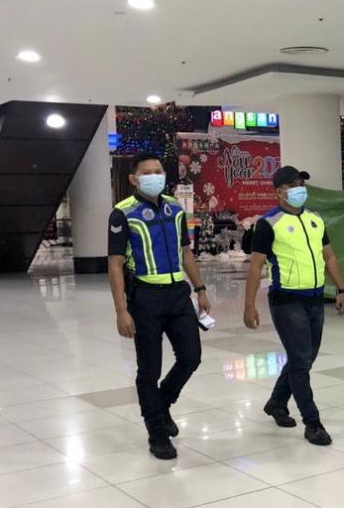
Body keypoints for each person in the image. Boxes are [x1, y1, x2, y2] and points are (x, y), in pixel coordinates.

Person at [107, 151, 211, 460]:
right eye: (148, 171)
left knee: (191, 357)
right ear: (134, 178)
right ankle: (156, 430)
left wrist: (200, 288)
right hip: (144, 298)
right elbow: (114, 265)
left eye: (159, 171)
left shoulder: (176, 208)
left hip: (178, 295)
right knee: (149, 368)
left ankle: (162, 403)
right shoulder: (122, 213)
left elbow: (186, 252)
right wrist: (121, 311)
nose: (155, 176)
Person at [243, 166, 344, 446]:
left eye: (301, 183)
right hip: (286, 300)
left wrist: (341, 288)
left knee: (306, 358)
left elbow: (329, 257)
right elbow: (255, 267)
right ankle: (312, 422)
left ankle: (277, 402)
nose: (300, 188)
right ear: (279, 192)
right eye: (292, 185)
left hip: (314, 298)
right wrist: (249, 306)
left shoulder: (315, 219)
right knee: (301, 360)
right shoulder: (269, 223)